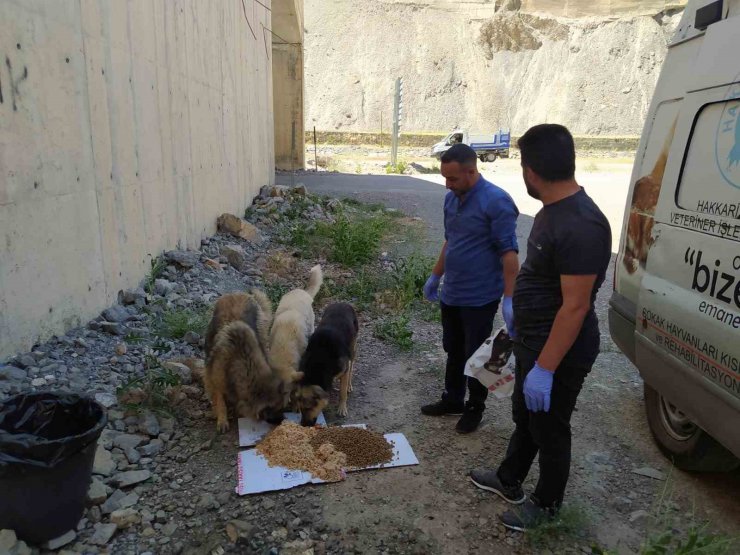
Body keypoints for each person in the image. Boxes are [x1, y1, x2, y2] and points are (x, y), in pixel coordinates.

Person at [469, 124, 612, 531]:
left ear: (531, 171)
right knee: (526, 415)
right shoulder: (552, 211)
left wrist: (546, 369)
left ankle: (547, 504)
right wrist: (516, 314)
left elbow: (576, 307)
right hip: (533, 340)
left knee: (550, 428)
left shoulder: (582, 224)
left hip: (561, 350)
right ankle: (509, 479)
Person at [421, 143, 520, 433]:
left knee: (476, 356)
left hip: (480, 297)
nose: (447, 184)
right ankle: (453, 400)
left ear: (471, 171)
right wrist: (435, 276)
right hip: (453, 293)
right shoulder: (451, 200)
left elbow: (509, 255)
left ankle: (475, 408)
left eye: (453, 179)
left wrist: (509, 298)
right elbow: (450, 241)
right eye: (444, 177)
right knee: (453, 348)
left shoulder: (496, 202)